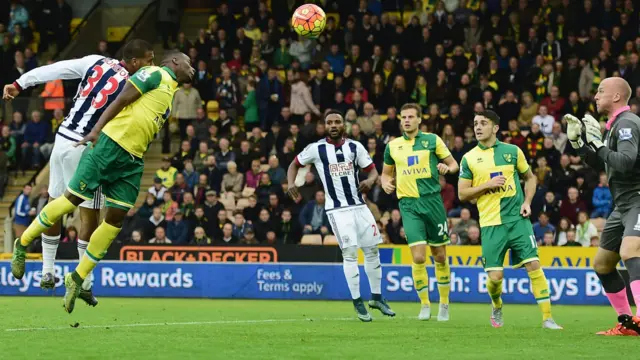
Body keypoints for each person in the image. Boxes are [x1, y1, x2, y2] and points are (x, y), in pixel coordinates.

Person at [10, 51, 194, 313]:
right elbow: (121, 99)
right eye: (189, 63)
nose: (193, 68)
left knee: (113, 218)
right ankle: (35, 250)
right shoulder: (152, 73)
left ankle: (70, 276)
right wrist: (96, 132)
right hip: (100, 144)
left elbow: (58, 68)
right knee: (82, 209)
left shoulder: (100, 64)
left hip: (112, 152)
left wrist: (21, 83)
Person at [3, 39, 155, 302]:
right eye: (147, 61)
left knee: (54, 201)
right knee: (90, 212)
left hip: (62, 138)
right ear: (133, 62)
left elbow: (56, 69)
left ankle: (47, 271)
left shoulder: (94, 61)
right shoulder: (134, 85)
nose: (150, 66)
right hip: (86, 146)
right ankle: (84, 280)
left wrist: (19, 84)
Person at [287, 109, 395, 322]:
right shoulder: (317, 149)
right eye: (330, 122)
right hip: (338, 210)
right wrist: (291, 183)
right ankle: (358, 302)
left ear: (343, 124)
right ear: (325, 126)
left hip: (360, 207)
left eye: (337, 121)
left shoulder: (356, 147)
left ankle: (376, 297)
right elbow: (294, 164)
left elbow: (373, 170)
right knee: (351, 254)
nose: (334, 125)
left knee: (372, 251)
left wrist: (371, 180)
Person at [458, 110, 562, 330]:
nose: (478, 127)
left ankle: (548, 318)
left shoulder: (513, 151)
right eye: (475, 123)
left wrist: (527, 202)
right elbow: (462, 194)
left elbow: (530, 178)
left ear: (495, 128)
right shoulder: (468, 158)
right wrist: (487, 185)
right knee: (495, 278)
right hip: (490, 224)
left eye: (483, 123)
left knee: (534, 264)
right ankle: (497, 304)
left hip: (517, 220)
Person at [564, 77, 640, 335]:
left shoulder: (628, 123)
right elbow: (606, 163)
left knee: (631, 251)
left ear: (617, 96)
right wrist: (580, 145)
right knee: (603, 264)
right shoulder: (615, 125)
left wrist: (598, 144)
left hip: (638, 199)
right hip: (623, 205)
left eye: (600, 91)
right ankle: (627, 323)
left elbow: (626, 162)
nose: (595, 96)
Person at [381, 103, 459, 321]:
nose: (406, 120)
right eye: (403, 117)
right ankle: (425, 304)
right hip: (409, 205)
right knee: (418, 256)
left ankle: (444, 303)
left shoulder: (433, 140)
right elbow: (385, 174)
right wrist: (386, 182)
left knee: (440, 256)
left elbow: (454, 165)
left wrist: (446, 168)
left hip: (433, 202)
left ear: (419, 120)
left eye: (410, 117)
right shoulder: (393, 146)